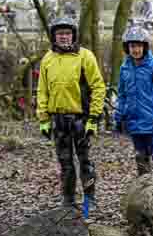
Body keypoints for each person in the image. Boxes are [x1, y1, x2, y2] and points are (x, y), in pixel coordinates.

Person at [37, 17, 106, 208]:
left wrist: (93, 117)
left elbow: (98, 87)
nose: (64, 37)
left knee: (84, 160)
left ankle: (89, 198)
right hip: (58, 118)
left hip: (81, 118)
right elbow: (42, 90)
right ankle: (68, 200)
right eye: (60, 34)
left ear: (73, 35)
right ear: (54, 37)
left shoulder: (85, 56)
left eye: (67, 33)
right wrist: (43, 118)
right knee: (65, 162)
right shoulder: (47, 59)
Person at [114, 27, 153, 175]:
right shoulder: (124, 68)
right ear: (127, 48)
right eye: (132, 46)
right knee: (140, 158)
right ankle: (145, 192)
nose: (136, 49)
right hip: (134, 122)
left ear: (145, 46)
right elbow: (122, 94)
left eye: (139, 45)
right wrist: (119, 115)